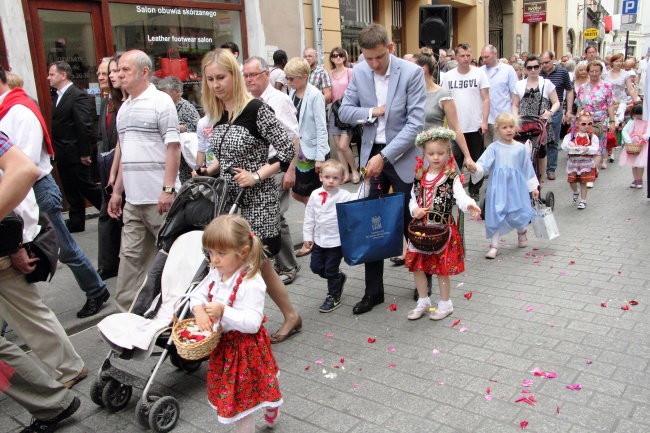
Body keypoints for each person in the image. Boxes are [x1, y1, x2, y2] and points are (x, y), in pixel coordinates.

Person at [194, 49, 301, 343]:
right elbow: (226, 156)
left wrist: (256, 175)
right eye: (210, 79)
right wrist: (208, 169)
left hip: (259, 201)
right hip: (231, 201)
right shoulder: (221, 112)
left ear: (234, 77)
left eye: (221, 77)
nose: (216, 84)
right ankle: (264, 319)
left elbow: (287, 149)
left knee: (260, 263)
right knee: (253, 264)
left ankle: (262, 320)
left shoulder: (256, 109)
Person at [0, 66, 110, 318]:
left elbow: (24, 167)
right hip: (23, 189)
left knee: (65, 248)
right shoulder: (8, 110)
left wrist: (24, 229)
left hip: (35, 189)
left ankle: (96, 290)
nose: (48, 77)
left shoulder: (20, 111)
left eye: (52, 74)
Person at [339, 23, 426, 314]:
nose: (374, 64)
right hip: (370, 155)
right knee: (370, 223)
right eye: (368, 58)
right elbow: (345, 111)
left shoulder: (411, 73)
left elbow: (415, 125)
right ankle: (373, 292)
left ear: (390, 48)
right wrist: (373, 112)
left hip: (400, 156)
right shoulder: (360, 72)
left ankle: (422, 284)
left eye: (379, 57)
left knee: (411, 223)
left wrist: (385, 156)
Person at [0, 136, 82, 433]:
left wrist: (18, 243)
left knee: (30, 313)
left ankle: (62, 383)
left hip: (8, 241)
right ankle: (59, 387)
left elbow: (22, 174)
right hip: (9, 239)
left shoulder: (18, 111)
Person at [190, 215, 282, 432]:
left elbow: (252, 323)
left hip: (245, 349)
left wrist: (224, 311)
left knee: (243, 402)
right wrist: (198, 310)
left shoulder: (251, 282)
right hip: (224, 348)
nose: (214, 260)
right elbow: (197, 294)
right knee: (239, 393)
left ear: (242, 253)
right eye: (210, 253)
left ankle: (270, 408)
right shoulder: (216, 273)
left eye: (221, 253)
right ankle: (269, 403)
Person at [107, 50, 181, 313]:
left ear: (144, 72)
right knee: (129, 259)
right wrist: (117, 192)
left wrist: (168, 189)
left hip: (159, 199)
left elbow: (173, 147)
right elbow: (126, 153)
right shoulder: (124, 109)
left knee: (170, 260)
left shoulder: (161, 102)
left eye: (125, 70)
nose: (119, 75)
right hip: (133, 200)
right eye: (117, 70)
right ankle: (127, 315)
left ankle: (174, 314)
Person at [405, 128, 481, 321]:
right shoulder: (419, 176)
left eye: (440, 153)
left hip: (442, 229)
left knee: (441, 268)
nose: (436, 157)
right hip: (420, 229)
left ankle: (446, 304)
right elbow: (412, 198)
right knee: (418, 266)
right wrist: (414, 210)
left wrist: (470, 205)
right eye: (431, 153)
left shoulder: (451, 177)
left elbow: (460, 197)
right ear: (424, 154)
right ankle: (423, 301)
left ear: (448, 153)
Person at [242, 55, 301, 285]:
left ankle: (288, 266)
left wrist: (290, 170)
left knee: (275, 215)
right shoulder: (246, 100)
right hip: (255, 170)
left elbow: (293, 138)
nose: (249, 80)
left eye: (253, 75)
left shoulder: (279, 100)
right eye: (245, 75)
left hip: (277, 166)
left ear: (267, 74)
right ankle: (273, 262)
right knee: (264, 218)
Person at [302, 159, 368, 313]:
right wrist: (307, 237)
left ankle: (333, 296)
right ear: (320, 177)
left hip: (336, 242)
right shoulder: (315, 194)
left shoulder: (343, 195)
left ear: (342, 179)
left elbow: (360, 195)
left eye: (335, 178)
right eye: (327, 177)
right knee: (315, 267)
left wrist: (367, 180)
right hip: (319, 240)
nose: (331, 181)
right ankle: (338, 277)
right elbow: (309, 216)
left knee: (330, 270)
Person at [471, 113, 540, 259]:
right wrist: (475, 168)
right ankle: (494, 245)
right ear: (497, 130)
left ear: (516, 128)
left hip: (516, 187)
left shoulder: (521, 148)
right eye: (504, 127)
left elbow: (527, 168)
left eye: (511, 127)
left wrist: (533, 187)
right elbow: (483, 163)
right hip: (498, 187)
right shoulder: (493, 147)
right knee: (495, 212)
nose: (508, 130)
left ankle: (522, 233)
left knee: (517, 211)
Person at [48, 61, 103, 233]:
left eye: (52, 74)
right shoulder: (57, 96)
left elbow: (83, 125)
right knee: (71, 188)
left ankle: (111, 209)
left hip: (75, 152)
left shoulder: (76, 95)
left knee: (86, 185)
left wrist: (85, 152)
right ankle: (76, 221)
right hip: (63, 152)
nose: (48, 77)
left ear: (63, 75)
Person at [440, 43, 490, 201]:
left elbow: (486, 98)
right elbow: (442, 100)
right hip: (455, 127)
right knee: (455, 161)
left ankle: (474, 190)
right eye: (462, 55)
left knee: (475, 160)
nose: (466, 58)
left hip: (474, 125)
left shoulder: (479, 74)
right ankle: (455, 192)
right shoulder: (448, 76)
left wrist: (484, 121)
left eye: (468, 55)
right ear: (456, 57)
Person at [285, 57, 329, 206]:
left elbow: (322, 127)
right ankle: (314, 222)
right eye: (287, 78)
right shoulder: (292, 92)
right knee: (298, 193)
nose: (289, 81)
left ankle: (315, 223)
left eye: (292, 78)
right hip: (298, 152)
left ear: (304, 76)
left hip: (312, 152)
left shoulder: (315, 95)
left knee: (310, 195)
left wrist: (320, 157)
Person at [512, 55, 561, 179]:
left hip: (541, 122)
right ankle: (522, 177)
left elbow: (556, 102)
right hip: (524, 122)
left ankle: (540, 178)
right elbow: (515, 105)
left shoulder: (546, 83)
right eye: (530, 67)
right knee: (522, 150)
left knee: (540, 151)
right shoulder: (519, 85)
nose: (533, 70)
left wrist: (550, 112)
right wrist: (515, 117)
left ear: (540, 68)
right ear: (525, 69)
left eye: (536, 67)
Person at [96, 56, 123, 280]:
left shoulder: (126, 102)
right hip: (108, 165)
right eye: (103, 73)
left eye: (110, 72)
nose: (105, 77)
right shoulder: (107, 102)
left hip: (124, 169)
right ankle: (107, 262)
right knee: (107, 213)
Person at [574, 60, 616, 174]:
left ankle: (593, 169)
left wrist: (612, 121)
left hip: (600, 120)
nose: (594, 73)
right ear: (588, 72)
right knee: (586, 144)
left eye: (597, 71)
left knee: (598, 146)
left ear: (601, 72)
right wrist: (576, 120)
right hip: (585, 121)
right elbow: (579, 104)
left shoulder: (606, 86)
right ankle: (588, 168)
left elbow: (610, 105)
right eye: (591, 71)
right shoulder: (583, 87)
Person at [158, 76, 200, 183]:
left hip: (185, 157)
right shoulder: (164, 107)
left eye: (165, 93)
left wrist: (179, 127)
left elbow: (197, 127)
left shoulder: (186, 107)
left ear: (176, 92)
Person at [539, 51, 574, 180]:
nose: (544, 65)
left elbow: (569, 91)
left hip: (556, 109)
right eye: (542, 63)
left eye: (546, 62)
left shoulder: (562, 72)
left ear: (553, 59)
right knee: (540, 140)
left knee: (553, 140)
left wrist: (568, 110)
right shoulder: (538, 72)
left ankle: (551, 169)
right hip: (540, 110)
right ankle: (539, 168)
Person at [328, 47, 360, 184]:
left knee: (344, 145)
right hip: (334, 110)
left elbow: (356, 90)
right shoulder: (329, 74)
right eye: (335, 55)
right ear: (331, 58)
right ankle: (345, 174)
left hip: (347, 109)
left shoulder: (350, 72)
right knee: (338, 146)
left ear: (345, 57)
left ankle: (354, 171)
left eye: (340, 55)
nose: (338, 57)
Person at [480, 44, 519, 146]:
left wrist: (514, 114)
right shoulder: (480, 71)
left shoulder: (508, 70)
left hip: (503, 117)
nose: (484, 60)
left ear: (495, 54)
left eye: (487, 57)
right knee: (487, 148)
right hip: (486, 118)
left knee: (502, 146)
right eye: (482, 57)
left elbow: (514, 93)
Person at [561, 111, 599, 209]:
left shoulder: (592, 136)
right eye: (584, 124)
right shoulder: (571, 135)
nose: (587, 126)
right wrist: (569, 145)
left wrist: (588, 149)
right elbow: (564, 145)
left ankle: (583, 200)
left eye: (589, 124)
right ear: (577, 124)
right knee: (571, 181)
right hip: (574, 162)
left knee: (583, 182)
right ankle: (575, 192)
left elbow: (596, 148)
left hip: (586, 163)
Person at [619, 104, 648, 189]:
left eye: (640, 114)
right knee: (633, 163)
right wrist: (628, 141)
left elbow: (647, 133)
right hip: (632, 143)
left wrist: (644, 137)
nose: (638, 116)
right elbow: (625, 130)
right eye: (637, 114)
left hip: (642, 144)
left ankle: (639, 179)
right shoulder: (633, 121)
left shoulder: (647, 121)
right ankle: (635, 179)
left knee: (640, 163)